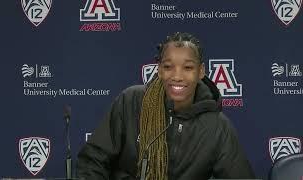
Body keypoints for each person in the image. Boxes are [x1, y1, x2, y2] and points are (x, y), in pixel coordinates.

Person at [76, 32, 255, 180]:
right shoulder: (131, 101)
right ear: (160, 70)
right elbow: (92, 162)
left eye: (187, 68)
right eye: (168, 67)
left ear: (201, 71)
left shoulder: (217, 127)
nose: (177, 76)